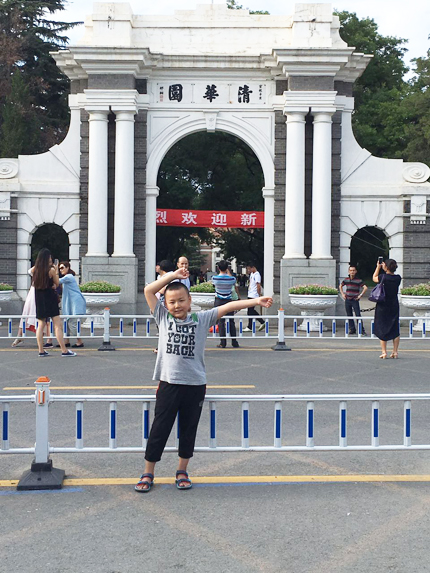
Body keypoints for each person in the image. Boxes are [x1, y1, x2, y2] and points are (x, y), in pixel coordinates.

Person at [135, 267, 272, 492]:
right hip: (169, 384)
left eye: (181, 300)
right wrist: (173, 276)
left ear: (190, 301)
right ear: (165, 304)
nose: (177, 305)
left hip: (195, 385)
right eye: (172, 302)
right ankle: (148, 472)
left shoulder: (201, 319)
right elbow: (148, 291)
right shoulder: (163, 317)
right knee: (159, 429)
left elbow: (228, 306)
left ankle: (182, 471)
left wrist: (256, 301)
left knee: (188, 430)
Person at [32, 248, 76, 357]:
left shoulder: (35, 270)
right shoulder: (50, 270)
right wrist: (56, 271)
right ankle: (64, 350)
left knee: (41, 325)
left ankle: (41, 350)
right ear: (47, 258)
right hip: (50, 298)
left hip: (39, 299)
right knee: (57, 325)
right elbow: (56, 283)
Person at [11, 269, 52, 348]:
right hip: (33, 296)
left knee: (41, 319)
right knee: (27, 315)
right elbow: (30, 271)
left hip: (40, 297)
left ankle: (41, 339)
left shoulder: (47, 273)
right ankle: (19, 336)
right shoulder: (38, 272)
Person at [372, 258, 401, 359]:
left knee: (382, 327)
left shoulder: (382, 277)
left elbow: (374, 278)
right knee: (395, 328)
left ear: (386, 267)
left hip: (382, 305)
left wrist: (378, 267)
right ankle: (395, 352)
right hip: (394, 305)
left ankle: (384, 352)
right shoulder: (398, 278)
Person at [212, 260, 239, 348]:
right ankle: (234, 342)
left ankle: (223, 342)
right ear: (227, 268)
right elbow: (234, 284)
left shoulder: (215, 278)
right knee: (231, 321)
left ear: (218, 268)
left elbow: (213, 286)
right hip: (228, 300)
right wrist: (228, 272)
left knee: (221, 322)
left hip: (219, 301)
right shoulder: (232, 279)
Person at [58, 261, 86, 348]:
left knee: (73, 323)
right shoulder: (67, 277)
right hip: (70, 303)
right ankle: (66, 341)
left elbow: (58, 281)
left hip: (75, 303)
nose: (60, 270)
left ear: (67, 267)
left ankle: (79, 341)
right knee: (66, 321)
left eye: (62, 268)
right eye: (59, 268)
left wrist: (53, 273)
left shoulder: (69, 277)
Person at [339, 265, 368, 335]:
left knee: (358, 314)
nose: (352, 272)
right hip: (347, 299)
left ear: (356, 271)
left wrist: (360, 295)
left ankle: (361, 330)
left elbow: (365, 287)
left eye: (353, 270)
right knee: (349, 315)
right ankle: (352, 329)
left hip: (355, 299)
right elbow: (340, 286)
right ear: (349, 271)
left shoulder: (358, 280)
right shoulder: (346, 279)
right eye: (351, 270)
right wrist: (342, 294)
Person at [244, 263, 265, 332]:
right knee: (250, 311)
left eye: (249, 268)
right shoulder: (252, 274)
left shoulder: (257, 275)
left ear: (253, 267)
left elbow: (258, 286)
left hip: (254, 295)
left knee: (250, 311)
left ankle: (260, 322)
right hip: (250, 294)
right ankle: (252, 325)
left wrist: (259, 294)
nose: (248, 270)